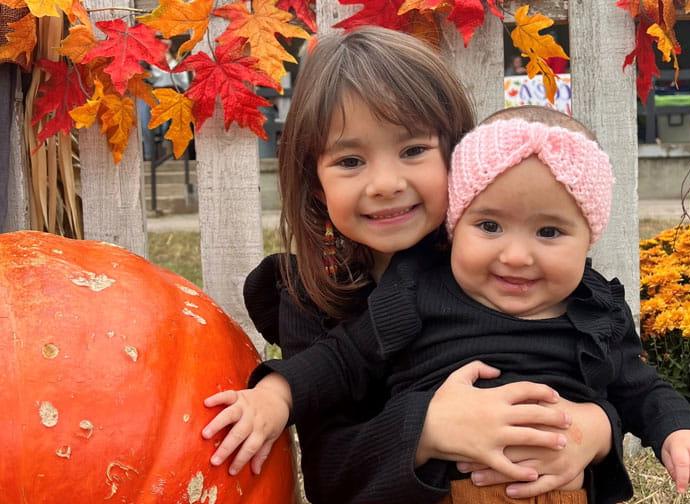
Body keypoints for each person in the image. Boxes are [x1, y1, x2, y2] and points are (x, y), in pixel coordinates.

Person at [202, 28, 627, 504]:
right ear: (316, 183)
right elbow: (330, 477)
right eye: (349, 160)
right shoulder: (308, 300)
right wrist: (428, 428)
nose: (385, 183)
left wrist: (595, 430)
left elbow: (611, 379)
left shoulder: (502, 272)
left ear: (459, 157)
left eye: (412, 150)